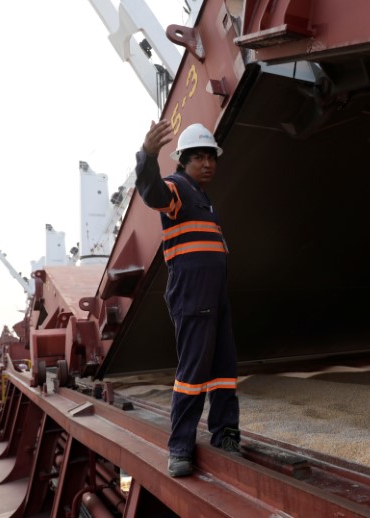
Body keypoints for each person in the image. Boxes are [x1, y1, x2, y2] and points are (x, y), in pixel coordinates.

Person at [134, 120, 241, 478]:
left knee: (224, 368)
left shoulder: (204, 200)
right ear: (182, 160)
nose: (207, 163)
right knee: (193, 371)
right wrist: (147, 155)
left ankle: (225, 431)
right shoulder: (177, 188)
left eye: (211, 157)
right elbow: (151, 192)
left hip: (215, 295)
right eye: (199, 157)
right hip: (193, 295)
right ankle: (179, 448)